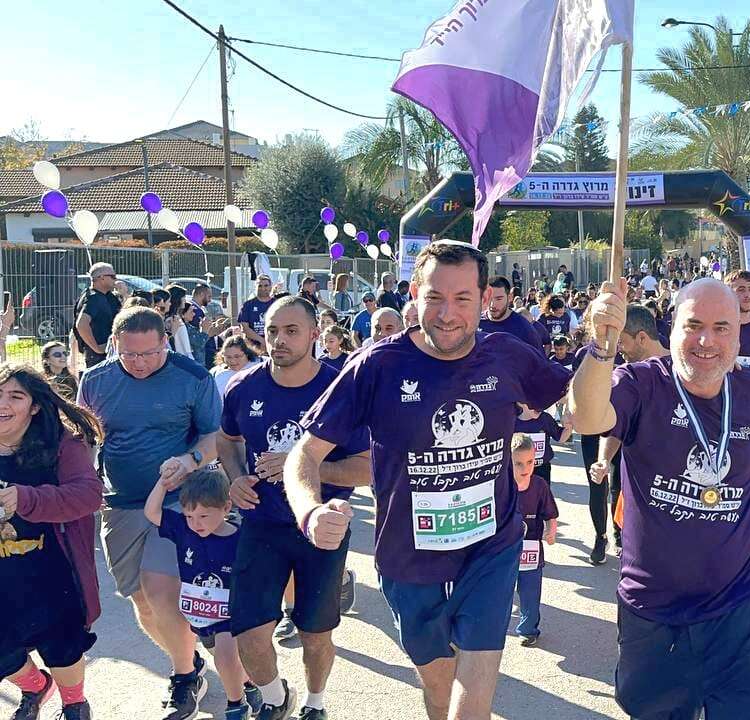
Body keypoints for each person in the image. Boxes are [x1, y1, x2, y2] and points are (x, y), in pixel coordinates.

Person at [283, 241, 573, 719]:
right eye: (435, 297)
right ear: (414, 295)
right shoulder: (377, 365)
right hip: (408, 557)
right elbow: (304, 454)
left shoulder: (505, 356)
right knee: (439, 687)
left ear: (485, 299)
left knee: (470, 700)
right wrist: (310, 511)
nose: (447, 313)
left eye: (463, 298)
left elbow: (579, 404)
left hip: (490, 546)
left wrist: (603, 347)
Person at [570, 277, 750, 719]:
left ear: (738, 335)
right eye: (694, 326)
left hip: (738, 602)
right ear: (672, 330)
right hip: (655, 608)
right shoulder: (641, 383)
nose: (707, 341)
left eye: (721, 328)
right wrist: (602, 346)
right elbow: (587, 418)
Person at [220, 297, 371, 720]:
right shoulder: (242, 386)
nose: (279, 340)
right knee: (248, 633)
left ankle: (315, 703)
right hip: (261, 523)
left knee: (314, 634)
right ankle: (274, 697)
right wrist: (235, 477)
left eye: (291, 331)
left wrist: (301, 465)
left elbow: (367, 467)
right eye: (272, 331)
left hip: (320, 528)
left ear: (314, 335)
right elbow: (227, 440)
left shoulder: (340, 389)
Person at [77, 306, 223, 718]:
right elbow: (83, 439)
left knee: (162, 592)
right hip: (119, 504)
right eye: (129, 354)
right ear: (114, 346)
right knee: (141, 602)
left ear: (165, 342)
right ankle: (189, 660)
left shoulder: (192, 377)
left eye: (149, 353)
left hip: (176, 500)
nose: (139, 363)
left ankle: (183, 678)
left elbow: (216, 436)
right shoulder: (95, 380)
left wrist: (190, 460)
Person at [0, 365, 103, 720]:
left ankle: (75, 704)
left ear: (34, 406)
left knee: (62, 645)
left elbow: (89, 495)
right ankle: (35, 687)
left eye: (16, 396)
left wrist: (26, 498)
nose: (3, 404)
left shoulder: (60, 443)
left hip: (53, 569)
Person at [144, 469, 261, 720]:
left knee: (226, 658)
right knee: (229, 661)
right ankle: (252, 684)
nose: (196, 523)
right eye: (189, 516)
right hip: (200, 615)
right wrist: (163, 483)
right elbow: (151, 512)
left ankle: (236, 706)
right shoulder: (184, 530)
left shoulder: (242, 538)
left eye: (204, 516)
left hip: (231, 614)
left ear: (226, 507)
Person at [584, 306, 666, 564]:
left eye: (622, 342)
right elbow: (615, 425)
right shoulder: (628, 378)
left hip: (679, 496)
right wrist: (604, 459)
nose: (619, 349)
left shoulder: (685, 369)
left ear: (642, 337)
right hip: (639, 499)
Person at [510, 433, 559, 647]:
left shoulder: (539, 486)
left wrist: (551, 531)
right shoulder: (501, 485)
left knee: (530, 592)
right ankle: (495, 627)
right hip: (505, 549)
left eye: (530, 462)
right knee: (500, 591)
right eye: (518, 463)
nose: (525, 468)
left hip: (531, 550)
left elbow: (550, 513)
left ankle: (528, 629)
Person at [73, 262, 122, 369]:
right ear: (101, 278)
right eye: (113, 276)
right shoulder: (93, 298)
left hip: (110, 352)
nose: (116, 279)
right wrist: (97, 349)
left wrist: (124, 293)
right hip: (98, 357)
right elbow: (81, 324)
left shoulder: (109, 296)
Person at [514, 402, 569, 486]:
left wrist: (569, 427)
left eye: (541, 401)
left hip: (542, 468)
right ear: (521, 403)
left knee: (542, 492)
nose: (539, 406)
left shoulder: (545, 419)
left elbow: (560, 438)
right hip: (517, 469)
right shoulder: (512, 420)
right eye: (534, 401)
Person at [479, 276, 543, 348]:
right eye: (489, 298)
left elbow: (538, 354)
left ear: (509, 297)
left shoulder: (523, 327)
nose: (492, 304)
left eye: (499, 299)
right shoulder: (476, 324)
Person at [238, 275, 277, 353]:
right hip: (253, 347)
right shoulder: (248, 305)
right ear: (255, 287)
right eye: (260, 286)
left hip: (273, 345)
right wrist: (262, 341)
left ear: (270, 287)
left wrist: (269, 341)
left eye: (266, 285)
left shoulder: (277, 304)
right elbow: (244, 328)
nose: (263, 288)